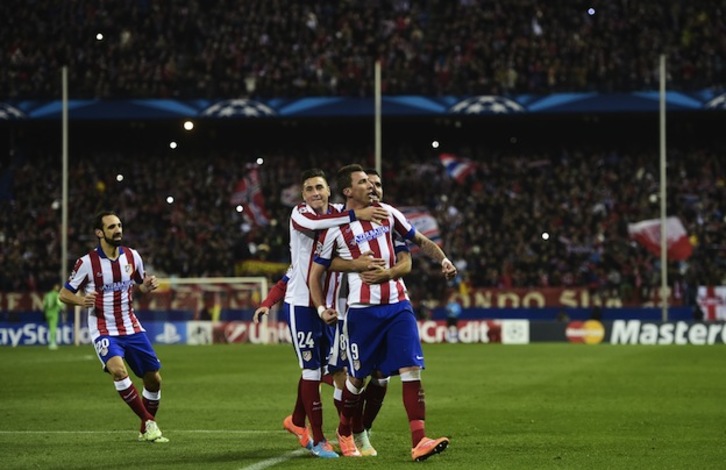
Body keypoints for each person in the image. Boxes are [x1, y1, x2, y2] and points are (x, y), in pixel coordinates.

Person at [253, 168, 411, 457]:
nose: (315, 193)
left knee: (341, 373)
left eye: (320, 188)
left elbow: (356, 210)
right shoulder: (301, 214)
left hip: (334, 309)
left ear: (329, 191)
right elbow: (297, 270)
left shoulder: (340, 214)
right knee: (312, 370)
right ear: (303, 194)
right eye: (309, 189)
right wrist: (269, 301)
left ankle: (340, 430)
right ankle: (319, 440)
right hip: (302, 304)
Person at [309, 163, 457, 461]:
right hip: (362, 312)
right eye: (363, 182)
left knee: (410, 369)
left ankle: (419, 440)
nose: (372, 186)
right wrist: (355, 266)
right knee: (356, 379)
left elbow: (419, 241)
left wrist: (443, 259)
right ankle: (345, 429)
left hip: (398, 305)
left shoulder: (388, 213)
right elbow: (320, 267)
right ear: (349, 191)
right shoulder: (336, 226)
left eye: (372, 182)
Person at [59, 211, 168, 443]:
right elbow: (64, 293)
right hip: (104, 328)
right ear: (99, 232)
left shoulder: (132, 256)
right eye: (111, 227)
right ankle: (149, 422)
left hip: (131, 325)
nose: (117, 230)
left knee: (154, 379)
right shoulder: (87, 263)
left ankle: (145, 428)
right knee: (119, 371)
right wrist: (80, 300)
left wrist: (149, 285)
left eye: (119, 225)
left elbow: (141, 284)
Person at [42, 282, 63, 350]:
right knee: (53, 328)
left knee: (51, 328)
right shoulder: (56, 294)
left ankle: (51, 342)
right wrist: (62, 308)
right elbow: (59, 304)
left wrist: (46, 311)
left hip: (47, 313)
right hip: (54, 313)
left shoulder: (47, 295)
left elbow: (44, 304)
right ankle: (52, 343)